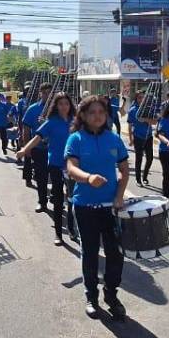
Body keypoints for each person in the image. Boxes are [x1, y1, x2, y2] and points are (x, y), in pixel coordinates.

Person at [65, 95, 130, 320]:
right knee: (90, 253)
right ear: (83, 115)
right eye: (92, 112)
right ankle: (91, 297)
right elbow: (71, 168)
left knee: (115, 254)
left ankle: (111, 295)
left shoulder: (114, 139)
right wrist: (88, 177)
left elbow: (124, 170)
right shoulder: (75, 139)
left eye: (101, 112)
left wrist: (119, 196)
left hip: (111, 208)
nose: (97, 116)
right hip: (84, 206)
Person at [17, 92, 76, 244]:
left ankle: (71, 229)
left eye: (67, 104)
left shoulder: (76, 121)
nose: (64, 107)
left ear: (70, 105)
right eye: (61, 104)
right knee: (57, 199)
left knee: (72, 200)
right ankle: (58, 233)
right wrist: (25, 149)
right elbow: (37, 138)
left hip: (73, 166)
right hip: (56, 164)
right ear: (56, 106)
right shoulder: (51, 122)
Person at [23, 82, 53, 209]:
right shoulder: (33, 108)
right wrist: (26, 148)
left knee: (57, 178)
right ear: (40, 93)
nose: (47, 95)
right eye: (44, 92)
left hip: (56, 150)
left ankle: (56, 198)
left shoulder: (58, 109)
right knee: (41, 177)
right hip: (39, 149)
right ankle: (42, 202)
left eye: (49, 93)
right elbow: (26, 129)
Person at [127, 91, 153, 187]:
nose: (142, 99)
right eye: (140, 97)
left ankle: (145, 176)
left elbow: (154, 122)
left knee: (150, 158)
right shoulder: (133, 110)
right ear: (136, 99)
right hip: (138, 137)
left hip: (148, 136)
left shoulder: (149, 109)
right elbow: (129, 126)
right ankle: (138, 179)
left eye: (143, 97)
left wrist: (146, 120)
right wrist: (130, 139)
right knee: (139, 159)